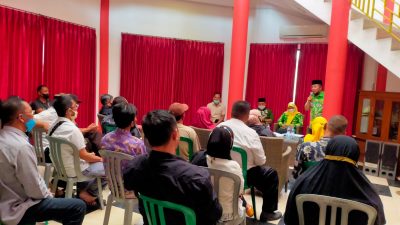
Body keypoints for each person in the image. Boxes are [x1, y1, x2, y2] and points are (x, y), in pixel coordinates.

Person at [123, 110, 222, 225]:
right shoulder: (197, 176)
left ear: (146, 137)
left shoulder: (134, 166)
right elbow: (215, 214)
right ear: (175, 135)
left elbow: (129, 185)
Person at [0, 97, 86, 225]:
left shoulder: (4, 136)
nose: (34, 118)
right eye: (32, 114)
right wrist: (47, 194)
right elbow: (33, 188)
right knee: (78, 206)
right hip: (17, 207)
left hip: (6, 199)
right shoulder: (22, 146)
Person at [284, 136, 386, 225]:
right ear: (355, 156)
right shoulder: (367, 193)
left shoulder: (304, 182)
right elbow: (378, 220)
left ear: (328, 151)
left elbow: (289, 218)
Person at [218, 101, 282, 222]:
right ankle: (268, 212)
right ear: (247, 116)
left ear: (231, 112)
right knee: (270, 173)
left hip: (219, 172)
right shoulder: (251, 133)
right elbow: (261, 161)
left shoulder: (219, 127)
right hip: (244, 176)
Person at [50, 94, 106, 206]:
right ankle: (89, 194)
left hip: (59, 167)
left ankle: (80, 189)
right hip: (74, 170)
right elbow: (84, 156)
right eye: (76, 107)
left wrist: (90, 157)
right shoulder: (73, 130)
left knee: (93, 161)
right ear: (68, 111)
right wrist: (100, 159)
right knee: (110, 167)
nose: (77, 109)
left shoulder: (53, 125)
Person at [191, 126, 250, 221]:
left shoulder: (198, 158)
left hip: (202, 211)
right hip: (227, 214)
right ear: (229, 145)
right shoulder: (234, 167)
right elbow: (239, 192)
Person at [101, 102, 146, 170]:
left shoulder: (105, 138)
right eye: (135, 117)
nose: (136, 119)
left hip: (110, 178)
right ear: (132, 123)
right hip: (130, 179)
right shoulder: (138, 144)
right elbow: (143, 166)